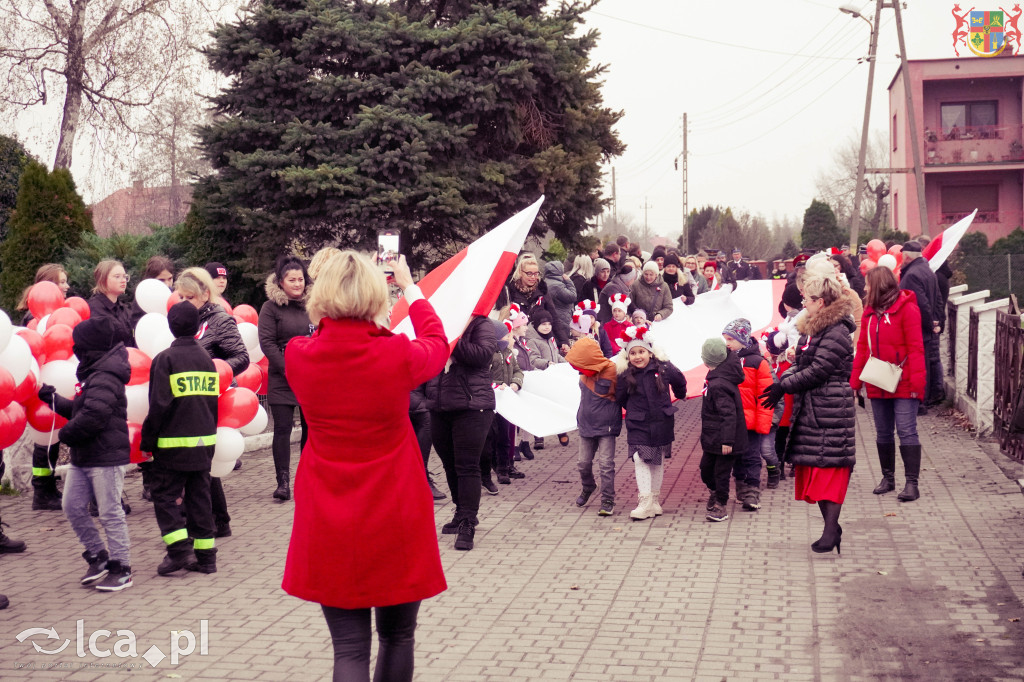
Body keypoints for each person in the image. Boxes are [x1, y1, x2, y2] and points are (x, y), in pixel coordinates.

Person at [281, 252, 448, 681]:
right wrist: (410, 287)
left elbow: (324, 339)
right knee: (398, 637)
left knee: (350, 649)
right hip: (395, 508)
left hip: (328, 511)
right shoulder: (396, 353)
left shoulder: (300, 354)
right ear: (377, 295)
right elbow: (436, 340)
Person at [760, 272, 856, 555]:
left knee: (829, 472)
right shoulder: (814, 327)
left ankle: (830, 532)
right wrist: (783, 379)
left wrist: (783, 386)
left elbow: (819, 370)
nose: (803, 302)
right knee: (816, 469)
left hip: (831, 408)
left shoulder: (835, 330)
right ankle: (832, 529)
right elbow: (803, 362)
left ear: (822, 302)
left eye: (808, 298)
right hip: (815, 407)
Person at [39, 316, 134, 591]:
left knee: (110, 512)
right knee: (72, 506)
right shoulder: (94, 372)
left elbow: (95, 414)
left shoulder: (105, 375)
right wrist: (54, 401)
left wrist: (66, 435)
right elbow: (84, 409)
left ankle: (122, 567)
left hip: (105, 456)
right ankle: (97, 556)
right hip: (86, 454)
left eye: (78, 344)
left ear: (89, 346)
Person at [142, 301, 220, 576]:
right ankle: (206, 558)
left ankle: (178, 552)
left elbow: (159, 405)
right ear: (199, 326)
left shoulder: (165, 360)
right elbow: (213, 404)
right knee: (200, 500)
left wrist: (147, 442)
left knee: (164, 497)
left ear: (171, 327)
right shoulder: (207, 360)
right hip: (204, 444)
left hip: (172, 447)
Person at [174, 268, 248, 535]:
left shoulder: (220, 319)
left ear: (205, 294)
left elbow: (241, 357)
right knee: (200, 461)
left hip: (213, 398)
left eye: (189, 296)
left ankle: (215, 520)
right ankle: (215, 519)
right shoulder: (185, 319)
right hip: (189, 400)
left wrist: (212, 373)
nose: (183, 301)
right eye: (180, 296)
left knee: (203, 461)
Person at [850, 266, 927, 502]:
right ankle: (888, 478)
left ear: (880, 285)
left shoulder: (908, 310)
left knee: (906, 431)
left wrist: (917, 384)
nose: (864, 288)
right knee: (883, 432)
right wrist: (855, 382)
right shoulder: (869, 312)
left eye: (868, 284)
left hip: (904, 382)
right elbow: (863, 347)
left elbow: (916, 348)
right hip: (878, 379)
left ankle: (912, 484)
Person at [426, 313, 496, 552]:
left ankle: (468, 521)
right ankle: (460, 511)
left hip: (472, 406)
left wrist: (453, 338)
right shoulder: (437, 324)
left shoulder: (480, 323)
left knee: (467, 466)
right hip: (439, 405)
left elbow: (482, 356)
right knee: (449, 464)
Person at [614, 325, 686, 521]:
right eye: (633, 353)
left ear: (650, 352)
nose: (637, 357)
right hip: (638, 423)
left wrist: (680, 395)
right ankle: (644, 501)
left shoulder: (664, 367)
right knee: (640, 458)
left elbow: (680, 380)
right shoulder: (625, 374)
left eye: (641, 352)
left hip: (661, 420)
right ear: (627, 356)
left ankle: (654, 501)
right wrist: (633, 410)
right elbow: (619, 396)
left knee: (656, 459)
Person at [259, 255, 313, 502]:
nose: (297, 284)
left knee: (311, 429)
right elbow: (267, 343)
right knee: (283, 429)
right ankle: (283, 481)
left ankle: (307, 477)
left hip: (310, 376)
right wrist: (288, 369)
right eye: (292, 280)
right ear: (281, 282)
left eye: (300, 279)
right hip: (283, 376)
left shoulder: (314, 305)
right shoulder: (270, 308)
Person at [19, 263, 72, 510]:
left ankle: (47, 486)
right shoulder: (34, 318)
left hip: (56, 380)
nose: (67, 286)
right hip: (41, 385)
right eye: (61, 282)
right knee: (45, 437)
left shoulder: (62, 314)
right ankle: (42, 490)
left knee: (52, 437)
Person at [566, 337, 621, 516]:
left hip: (607, 426)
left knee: (606, 464)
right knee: (583, 463)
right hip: (586, 423)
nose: (578, 370)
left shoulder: (613, 370)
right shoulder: (584, 371)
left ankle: (607, 499)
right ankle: (588, 486)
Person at [722, 318, 774, 510]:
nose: (727, 342)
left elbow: (765, 395)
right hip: (732, 420)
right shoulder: (725, 359)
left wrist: (763, 422)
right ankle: (741, 487)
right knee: (736, 456)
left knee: (752, 456)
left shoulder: (757, 362)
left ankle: (752, 490)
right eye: (725, 338)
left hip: (751, 422)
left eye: (731, 339)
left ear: (742, 339)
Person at [699, 337, 747, 522]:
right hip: (713, 436)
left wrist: (728, 441)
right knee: (706, 468)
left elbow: (729, 414)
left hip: (725, 439)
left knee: (721, 473)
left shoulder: (719, 384)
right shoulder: (718, 377)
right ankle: (715, 492)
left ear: (706, 361)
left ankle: (721, 504)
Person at [899, 240, 943, 412]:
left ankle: (919, 403)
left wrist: (929, 323)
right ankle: (924, 400)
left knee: (918, 366)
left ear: (907, 256)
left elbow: (920, 304)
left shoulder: (911, 275)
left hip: (917, 328)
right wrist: (937, 320)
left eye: (902, 256)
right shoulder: (928, 271)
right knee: (925, 364)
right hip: (926, 327)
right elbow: (937, 299)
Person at [485, 319, 523, 487]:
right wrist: (495, 385)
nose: (511, 337)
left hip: (506, 401)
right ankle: (494, 466)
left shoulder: (508, 353)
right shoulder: (489, 354)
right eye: (508, 335)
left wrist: (516, 382)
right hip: (492, 402)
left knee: (505, 436)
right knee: (492, 436)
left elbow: (517, 370)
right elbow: (484, 375)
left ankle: (504, 468)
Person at [88, 260, 136, 348]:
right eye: (117, 277)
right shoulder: (94, 309)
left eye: (125, 277)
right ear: (102, 280)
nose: (123, 281)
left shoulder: (124, 309)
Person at [495, 254, 548, 319]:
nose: (533, 277)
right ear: (520, 272)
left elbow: (553, 315)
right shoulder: (509, 290)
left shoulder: (541, 290)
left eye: (536, 273)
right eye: (529, 273)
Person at [542, 259, 577, 350]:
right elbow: (572, 296)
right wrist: (568, 281)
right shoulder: (557, 286)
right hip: (562, 320)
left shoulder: (546, 282)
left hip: (554, 318)